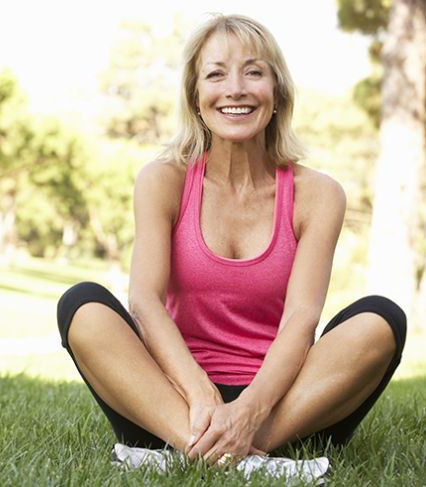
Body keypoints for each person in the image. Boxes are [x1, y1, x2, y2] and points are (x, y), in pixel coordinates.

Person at [56, 14, 407, 467]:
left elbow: (302, 319)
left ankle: (200, 451)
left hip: (280, 400)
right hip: (174, 397)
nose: (235, 88)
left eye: (254, 72)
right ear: (195, 97)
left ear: (277, 94)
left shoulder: (318, 195)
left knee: (382, 319)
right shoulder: (163, 180)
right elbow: (144, 301)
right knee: (81, 305)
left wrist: (249, 410)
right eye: (216, 74)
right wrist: (201, 395)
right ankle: (235, 452)